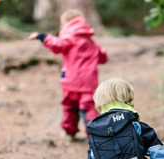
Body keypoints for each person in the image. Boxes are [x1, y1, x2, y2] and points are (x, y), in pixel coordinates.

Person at [29, 9, 107, 141]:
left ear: (66, 25)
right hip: (89, 81)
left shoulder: (68, 38)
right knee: (90, 107)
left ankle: (69, 131)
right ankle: (95, 135)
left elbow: (57, 45)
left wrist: (42, 36)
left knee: (69, 106)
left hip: (71, 80)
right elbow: (103, 58)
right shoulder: (92, 43)